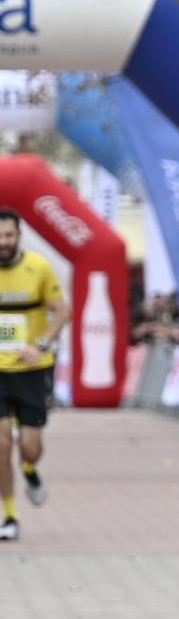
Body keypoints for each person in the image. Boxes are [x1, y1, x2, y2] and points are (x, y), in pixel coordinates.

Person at [0, 210, 68, 540]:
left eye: (8, 236)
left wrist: (41, 345)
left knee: (28, 445)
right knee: (0, 444)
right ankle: (10, 516)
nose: (3, 242)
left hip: (32, 369)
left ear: (18, 235)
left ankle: (30, 469)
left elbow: (62, 311)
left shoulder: (38, 268)